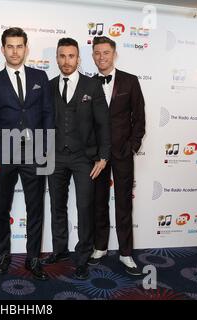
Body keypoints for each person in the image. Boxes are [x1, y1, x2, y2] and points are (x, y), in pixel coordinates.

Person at [0, 27, 54, 281]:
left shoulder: (40, 77)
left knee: (35, 208)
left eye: (19, 46)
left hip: (35, 153)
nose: (15, 51)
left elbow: (48, 114)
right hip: (4, 152)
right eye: (10, 46)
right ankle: (3, 255)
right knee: (1, 206)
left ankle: (33, 259)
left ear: (26, 48)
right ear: (3, 49)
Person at [41, 38, 111, 280]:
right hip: (56, 157)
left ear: (78, 59)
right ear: (57, 58)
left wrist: (103, 156)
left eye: (71, 56)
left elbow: (103, 123)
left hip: (84, 159)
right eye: (62, 56)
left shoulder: (92, 86)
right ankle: (59, 250)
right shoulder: (48, 86)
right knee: (57, 207)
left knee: (84, 208)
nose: (66, 61)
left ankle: (82, 258)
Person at [88, 36, 145, 276]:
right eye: (97, 53)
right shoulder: (87, 83)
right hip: (96, 155)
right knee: (98, 202)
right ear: (93, 56)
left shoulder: (130, 81)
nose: (102, 57)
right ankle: (100, 247)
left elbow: (139, 117)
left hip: (122, 152)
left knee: (123, 203)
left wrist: (132, 145)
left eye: (106, 53)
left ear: (114, 54)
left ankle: (126, 253)